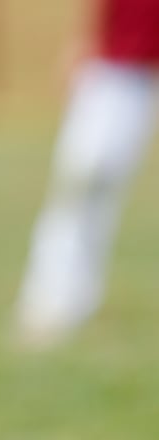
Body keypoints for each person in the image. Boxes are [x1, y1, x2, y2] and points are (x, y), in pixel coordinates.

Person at [14, 0, 159, 349]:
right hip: (114, 67)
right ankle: (51, 303)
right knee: (81, 183)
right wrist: (84, 41)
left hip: (137, 69)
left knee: (93, 188)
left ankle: (69, 299)